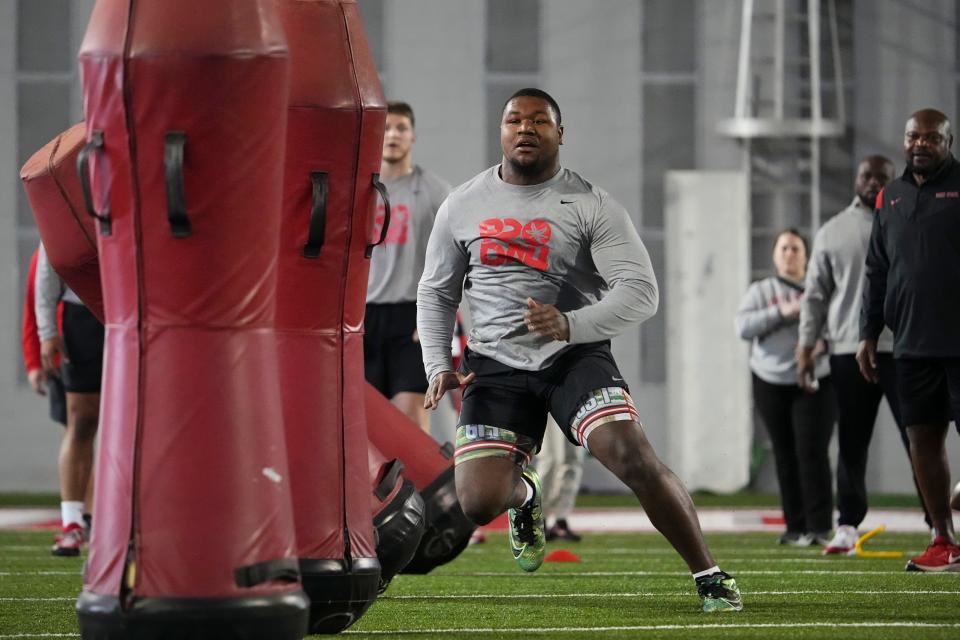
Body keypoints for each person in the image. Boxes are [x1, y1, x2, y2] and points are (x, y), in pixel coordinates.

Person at [417, 88, 742, 612]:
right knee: (477, 504)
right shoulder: (463, 204)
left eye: (539, 121)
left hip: (572, 356)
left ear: (559, 133)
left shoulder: (592, 203)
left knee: (630, 455)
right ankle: (525, 495)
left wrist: (571, 324)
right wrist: (438, 364)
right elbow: (435, 292)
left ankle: (710, 575)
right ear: (501, 132)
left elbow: (641, 293)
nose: (525, 129)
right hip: (494, 366)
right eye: (514, 120)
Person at [797, 156, 931, 555]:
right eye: (866, 176)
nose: (873, 182)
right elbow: (816, 295)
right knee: (852, 442)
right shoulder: (832, 231)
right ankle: (847, 525)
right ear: (856, 179)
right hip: (845, 350)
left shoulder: (911, 221)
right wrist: (806, 346)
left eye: (881, 177)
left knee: (919, 439)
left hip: (904, 348)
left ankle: (936, 525)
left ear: (894, 182)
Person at [858, 108, 960, 572]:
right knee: (922, 438)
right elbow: (877, 269)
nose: (920, 143)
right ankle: (943, 538)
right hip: (911, 343)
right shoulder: (890, 197)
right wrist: (867, 333)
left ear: (948, 141)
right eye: (912, 136)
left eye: (931, 137)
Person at [736, 229, 835, 547]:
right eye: (784, 248)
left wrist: (820, 344)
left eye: (795, 248)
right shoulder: (762, 290)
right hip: (769, 378)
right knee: (784, 453)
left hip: (813, 378)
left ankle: (819, 527)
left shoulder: (820, 289)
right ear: (775, 254)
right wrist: (783, 311)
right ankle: (795, 527)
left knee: (812, 451)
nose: (789, 254)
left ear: (806, 255)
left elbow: (839, 325)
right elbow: (743, 326)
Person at [365, 101, 451, 434]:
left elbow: (459, 255)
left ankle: (416, 487)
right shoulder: (358, 190)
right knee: (362, 421)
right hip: (362, 318)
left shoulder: (436, 192)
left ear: (413, 136)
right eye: (385, 128)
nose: (392, 135)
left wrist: (440, 314)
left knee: (410, 418)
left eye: (400, 128)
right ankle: (370, 489)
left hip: (413, 316)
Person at [35, 245, 104, 556]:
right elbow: (47, 270)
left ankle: (132, 521)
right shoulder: (69, 199)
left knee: (139, 422)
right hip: (81, 317)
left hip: (135, 309)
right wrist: (47, 332)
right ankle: (72, 523)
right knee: (81, 421)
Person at [22, 246, 67, 430]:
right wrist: (33, 364)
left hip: (95, 346)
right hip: (58, 357)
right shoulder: (43, 256)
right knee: (72, 425)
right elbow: (32, 311)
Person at [533, 416, 585, 541]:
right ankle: (538, 520)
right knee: (550, 459)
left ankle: (561, 520)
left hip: (578, 403)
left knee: (572, 461)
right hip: (551, 401)